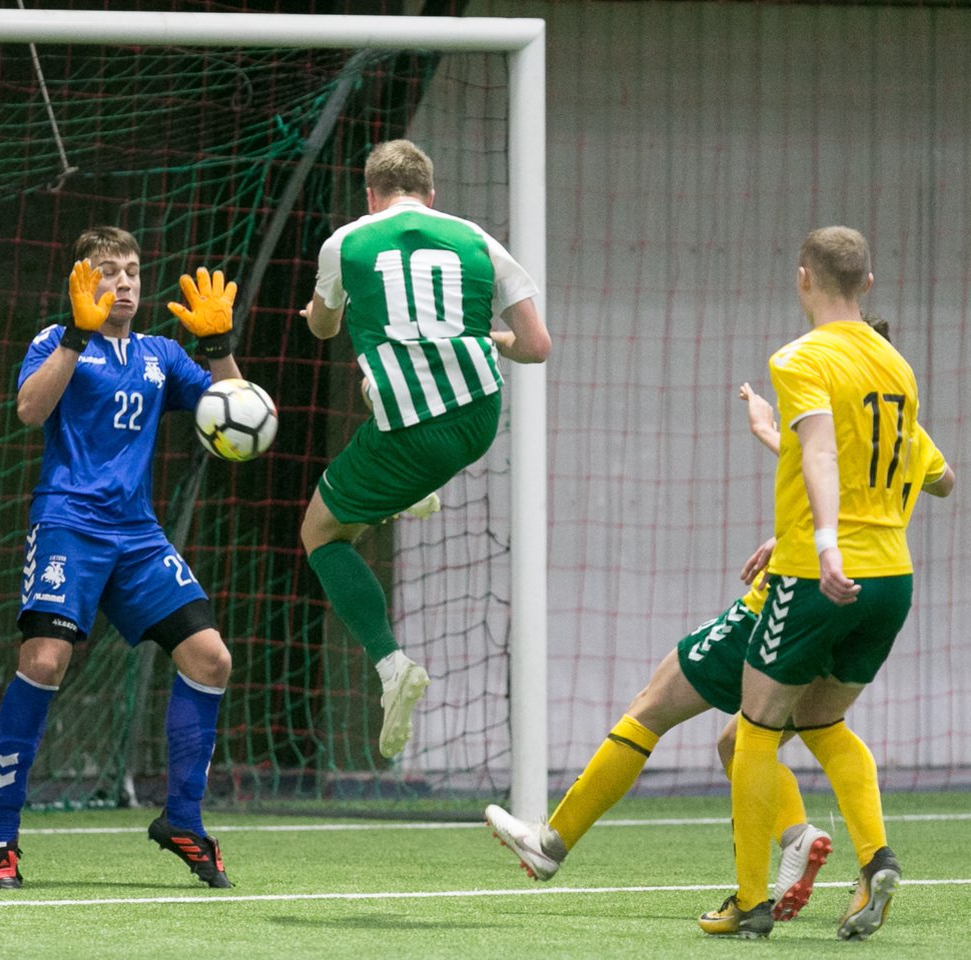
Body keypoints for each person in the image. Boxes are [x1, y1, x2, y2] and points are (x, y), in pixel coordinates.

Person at [486, 348, 951, 926]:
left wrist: (776, 457)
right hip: (878, 587)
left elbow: (825, 462)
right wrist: (778, 451)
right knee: (780, 732)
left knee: (657, 706)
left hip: (796, 594)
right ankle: (836, 848)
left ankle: (555, 844)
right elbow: (937, 479)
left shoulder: (828, 397)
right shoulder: (901, 425)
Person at [701, 226, 954, 941]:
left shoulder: (800, 357)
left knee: (752, 733)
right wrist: (774, 439)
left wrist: (822, 541)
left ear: (803, 277)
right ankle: (876, 859)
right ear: (867, 283)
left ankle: (751, 902)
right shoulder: (897, 367)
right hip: (892, 579)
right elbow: (939, 479)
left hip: (820, 576)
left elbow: (818, 449)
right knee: (821, 722)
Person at [0, 226, 243, 890]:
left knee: (211, 658)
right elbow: (29, 409)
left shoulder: (160, 354)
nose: (124, 281)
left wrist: (218, 348)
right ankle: (1, 836)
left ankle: (183, 819)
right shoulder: (55, 339)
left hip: (137, 535)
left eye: (131, 270)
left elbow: (236, 417)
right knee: (44, 661)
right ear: (82, 280)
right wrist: (76, 333)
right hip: (68, 525)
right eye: (108, 270)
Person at [299, 139, 550, 759]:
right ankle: (409, 491)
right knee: (378, 383)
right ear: (431, 195)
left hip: (411, 433)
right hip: (479, 416)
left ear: (371, 195)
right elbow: (536, 345)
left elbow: (324, 328)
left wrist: (317, 311)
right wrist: (490, 338)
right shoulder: (478, 240)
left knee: (320, 535)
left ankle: (392, 667)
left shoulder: (346, 242)